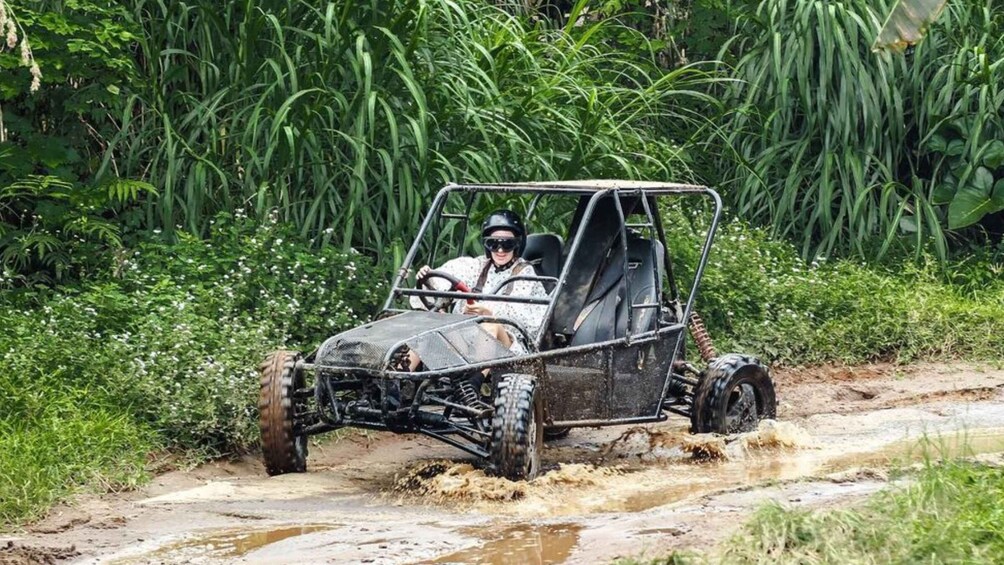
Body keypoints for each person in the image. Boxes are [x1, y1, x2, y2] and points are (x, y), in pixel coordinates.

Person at [413, 209, 548, 356]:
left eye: (507, 244)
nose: (500, 250)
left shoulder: (525, 274)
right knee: (429, 324)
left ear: (518, 245)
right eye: (493, 244)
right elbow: (444, 280)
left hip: (508, 349)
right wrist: (428, 279)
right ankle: (395, 375)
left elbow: (528, 323)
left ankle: (475, 378)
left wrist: (488, 312)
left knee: (490, 327)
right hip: (465, 336)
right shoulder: (475, 266)